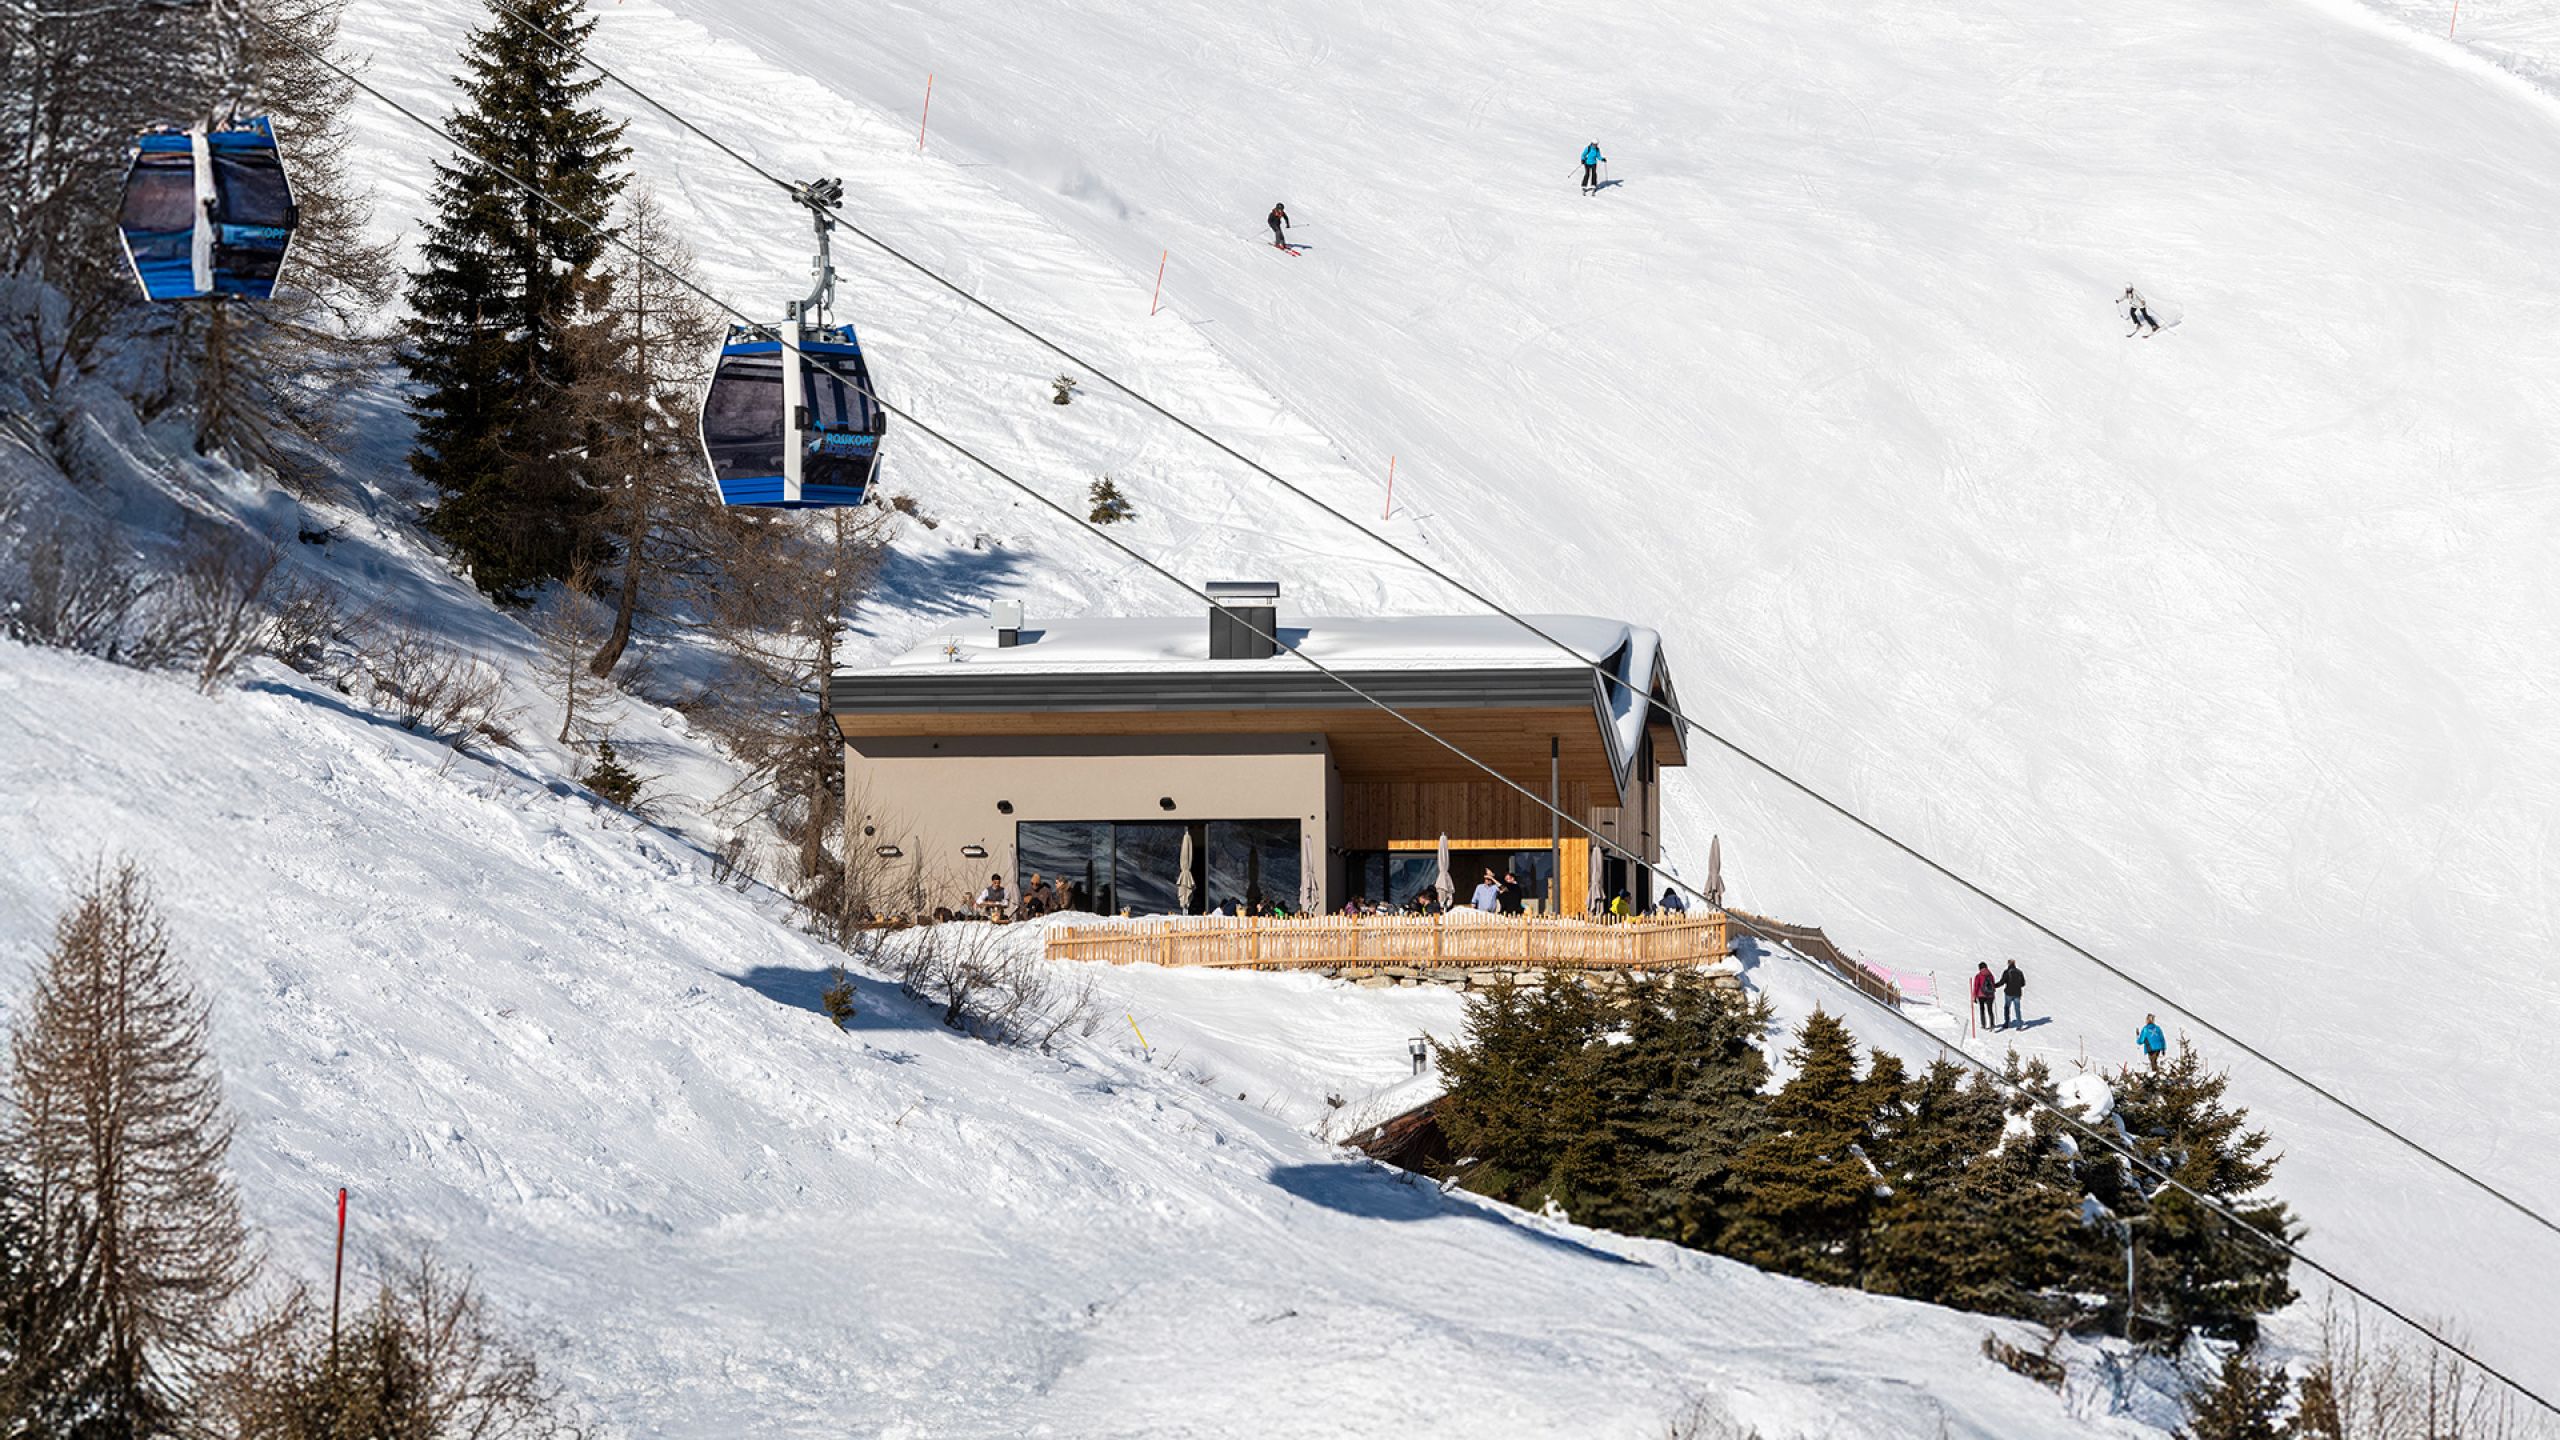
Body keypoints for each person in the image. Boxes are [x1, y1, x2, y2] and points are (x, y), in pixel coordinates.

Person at [1999, 959, 2026, 1030]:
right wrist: (2017, 985)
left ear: (2008, 964)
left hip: (2009, 993)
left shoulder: (2006, 972)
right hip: (2017, 993)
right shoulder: (2019, 972)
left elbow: (2002, 982)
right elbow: (2023, 983)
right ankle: (2019, 1025)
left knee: (2007, 1007)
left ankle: (2007, 1023)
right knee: (2017, 1009)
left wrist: (1994, 986)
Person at [1970, 962, 1996, 1032]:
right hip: (1990, 995)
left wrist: (1974, 996)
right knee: (1990, 1010)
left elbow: (1976, 986)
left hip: (1981, 995)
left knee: (1982, 1010)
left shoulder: (1978, 975)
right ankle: (1992, 1024)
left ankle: (1983, 1025)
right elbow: (1993, 985)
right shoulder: (1991, 975)